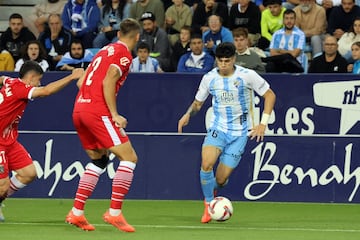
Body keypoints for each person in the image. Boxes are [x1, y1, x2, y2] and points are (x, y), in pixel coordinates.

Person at [177, 42, 276, 224]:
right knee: (206, 164)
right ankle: (208, 205)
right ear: (216, 60)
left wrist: (263, 123)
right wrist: (187, 115)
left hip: (239, 133)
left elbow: (270, 95)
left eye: (227, 61)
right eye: (220, 61)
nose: (223, 64)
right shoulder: (209, 78)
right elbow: (198, 103)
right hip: (218, 128)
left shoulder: (247, 76)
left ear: (234, 59)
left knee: (221, 179)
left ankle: (214, 190)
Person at [65, 18, 141, 232]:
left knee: (99, 161)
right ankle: (114, 213)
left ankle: (77, 213)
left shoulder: (103, 51)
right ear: (137, 37)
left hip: (79, 109)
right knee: (129, 157)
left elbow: (82, 82)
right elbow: (109, 80)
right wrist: (114, 114)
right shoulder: (124, 55)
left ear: (118, 35)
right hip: (98, 111)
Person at [0, 61, 83, 222]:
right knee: (3, 185)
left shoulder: (11, 81)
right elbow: (45, 91)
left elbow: (2, 78)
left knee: (29, 173)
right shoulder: (20, 88)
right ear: (30, 78)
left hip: (9, 139)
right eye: (38, 79)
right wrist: (71, 77)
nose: (39, 83)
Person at [263, 9, 306, 73]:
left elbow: (294, 54)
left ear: (295, 20)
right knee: (270, 65)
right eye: (287, 18)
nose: (289, 21)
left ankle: (263, 59)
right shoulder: (276, 34)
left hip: (294, 64)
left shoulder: (300, 34)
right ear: (283, 20)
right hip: (279, 63)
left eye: (291, 18)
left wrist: (280, 50)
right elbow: (272, 53)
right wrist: (288, 52)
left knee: (288, 58)